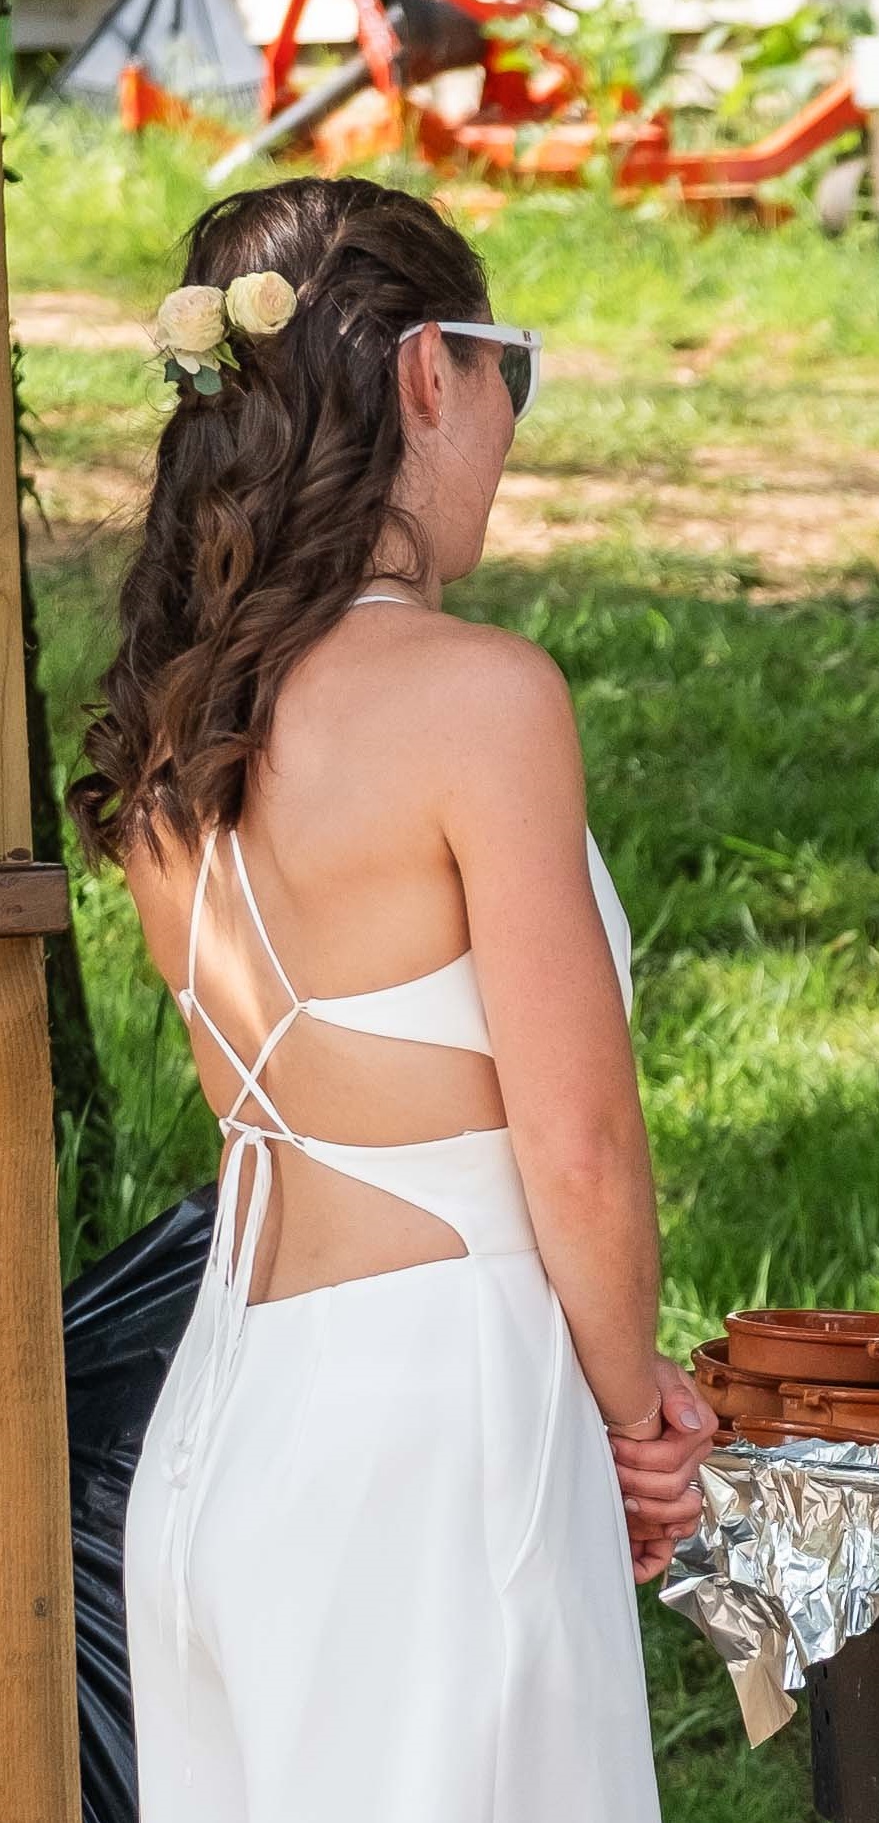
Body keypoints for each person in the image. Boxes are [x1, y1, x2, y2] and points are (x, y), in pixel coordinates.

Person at [83, 179, 712, 1822]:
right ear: (429, 373)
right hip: (443, 1418)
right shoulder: (476, 698)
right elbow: (571, 1140)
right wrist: (639, 1406)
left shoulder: (175, 726)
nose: (512, 420)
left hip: (233, 1413)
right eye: (514, 367)